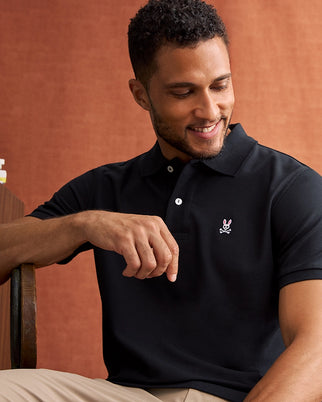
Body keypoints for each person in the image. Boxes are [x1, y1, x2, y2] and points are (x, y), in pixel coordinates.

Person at [0, 0, 321, 401]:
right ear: (141, 94)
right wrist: (85, 224)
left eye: (220, 85)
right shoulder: (106, 189)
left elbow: (316, 347)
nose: (209, 110)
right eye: (183, 92)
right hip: (122, 395)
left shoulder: (291, 187)